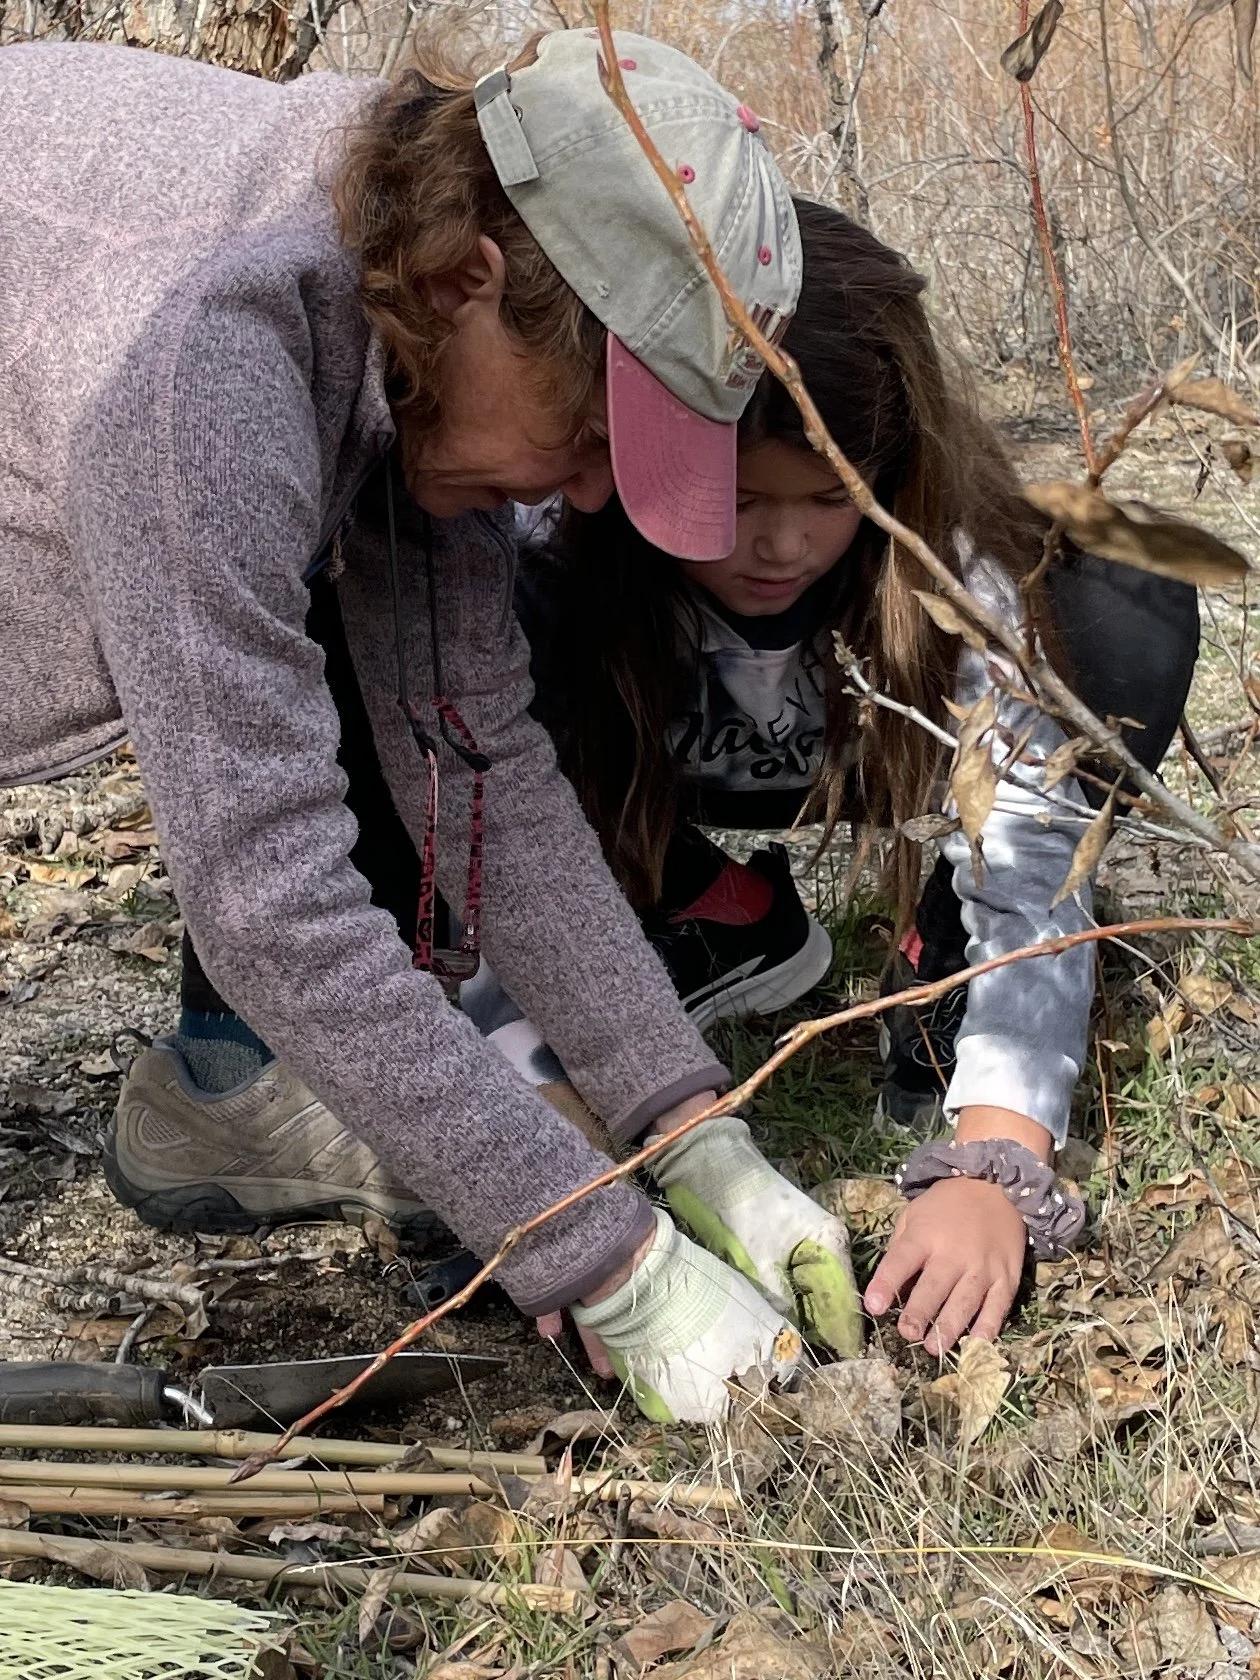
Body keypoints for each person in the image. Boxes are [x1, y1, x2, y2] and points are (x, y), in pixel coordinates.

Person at [0, 32, 864, 1423]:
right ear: (478, 281)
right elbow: (267, 902)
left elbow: (483, 762)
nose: (592, 495)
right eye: (596, 433)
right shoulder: (199, 365)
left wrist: (686, 1123)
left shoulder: (412, 310)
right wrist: (610, 1263)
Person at [496, 200, 1200, 1356]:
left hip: (874, 756)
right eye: (736, 499)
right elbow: (487, 865)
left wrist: (998, 1157)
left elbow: (1031, 857)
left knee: (1124, 601)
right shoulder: (544, 555)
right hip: (637, 782)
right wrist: (543, 1145)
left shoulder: (949, 561)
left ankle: (943, 972)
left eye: (829, 498)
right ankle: (684, 919)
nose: (781, 546)